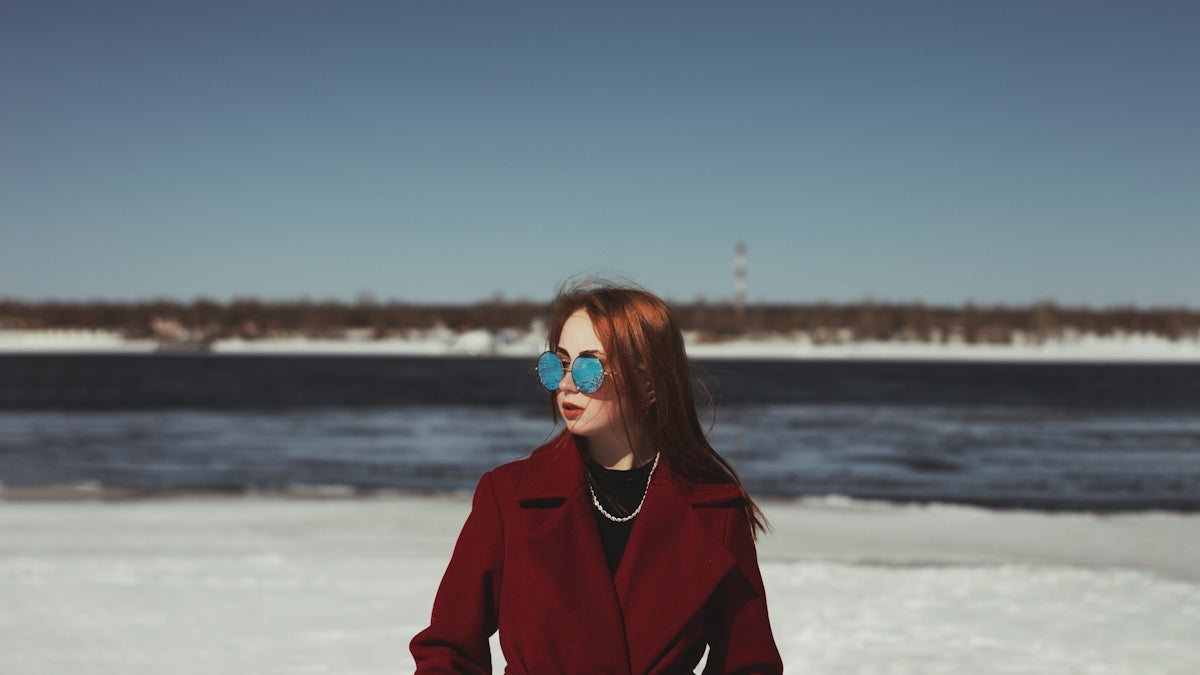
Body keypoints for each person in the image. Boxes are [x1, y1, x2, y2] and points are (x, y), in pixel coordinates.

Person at [410, 281, 783, 674]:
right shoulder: (509, 497)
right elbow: (447, 650)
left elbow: (748, 662)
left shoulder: (714, 508)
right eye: (557, 365)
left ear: (649, 383)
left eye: (589, 369)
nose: (566, 385)